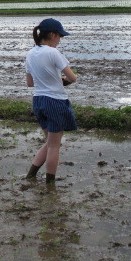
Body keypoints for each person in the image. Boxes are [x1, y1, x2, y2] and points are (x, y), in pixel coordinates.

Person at [24, 18, 78, 183]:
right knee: (54, 145)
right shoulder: (53, 52)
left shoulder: (31, 53)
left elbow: (30, 83)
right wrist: (62, 81)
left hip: (38, 101)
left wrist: (53, 80)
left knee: (49, 142)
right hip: (55, 102)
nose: (60, 40)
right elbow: (72, 78)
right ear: (53, 35)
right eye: (60, 36)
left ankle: (31, 175)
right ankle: (50, 183)